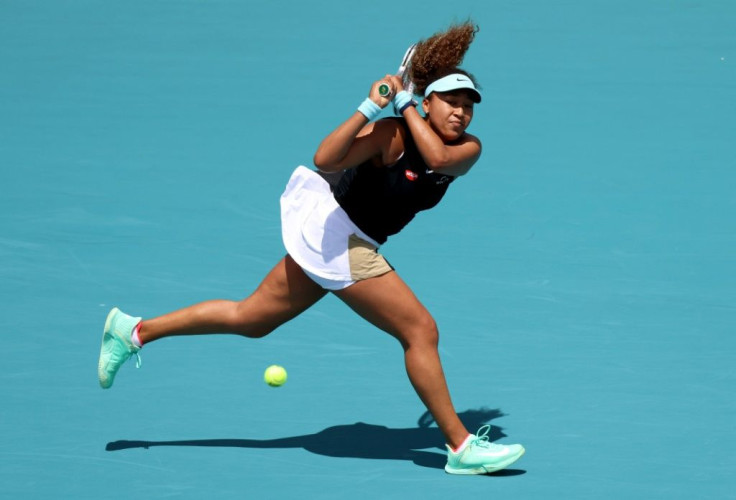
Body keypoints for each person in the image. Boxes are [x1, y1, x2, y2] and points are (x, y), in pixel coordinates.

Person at [98, 21, 525, 475]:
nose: (461, 113)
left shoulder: (467, 149)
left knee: (252, 319)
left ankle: (134, 331)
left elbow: (438, 160)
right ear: (427, 101)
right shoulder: (392, 135)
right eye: (451, 102)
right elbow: (325, 158)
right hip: (338, 232)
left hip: (343, 236)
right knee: (421, 331)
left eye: (467, 106)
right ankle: (460, 447)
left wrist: (405, 105)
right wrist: (370, 106)